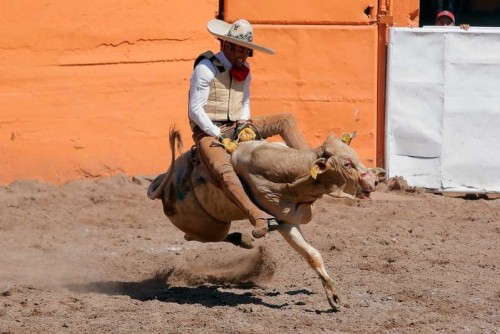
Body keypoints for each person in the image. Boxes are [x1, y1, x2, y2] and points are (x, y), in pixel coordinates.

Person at [188, 18, 309, 239]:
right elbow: (195, 110)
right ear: (226, 45)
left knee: (286, 120)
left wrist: (244, 123)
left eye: (248, 52)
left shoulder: (244, 68)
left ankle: (313, 163)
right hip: (209, 129)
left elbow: (244, 100)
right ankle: (257, 216)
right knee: (222, 169)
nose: (244, 56)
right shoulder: (205, 68)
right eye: (240, 50)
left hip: (237, 124)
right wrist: (218, 136)